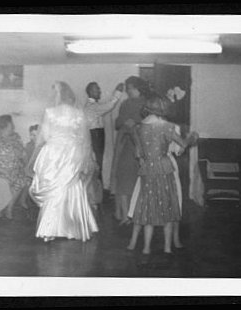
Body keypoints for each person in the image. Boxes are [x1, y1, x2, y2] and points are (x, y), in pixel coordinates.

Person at [126, 93, 198, 262]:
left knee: (147, 206)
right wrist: (193, 137)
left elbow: (138, 153)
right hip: (164, 168)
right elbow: (183, 145)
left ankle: (145, 248)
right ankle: (167, 247)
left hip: (147, 170)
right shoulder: (167, 126)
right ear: (162, 109)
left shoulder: (137, 127)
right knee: (168, 205)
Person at [27, 81, 98, 242]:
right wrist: (84, 158)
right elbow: (84, 139)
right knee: (71, 186)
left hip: (54, 152)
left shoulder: (50, 112)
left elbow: (43, 137)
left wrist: (35, 157)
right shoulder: (78, 113)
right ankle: (74, 227)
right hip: (73, 152)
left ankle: (50, 229)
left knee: (55, 189)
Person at [127, 124, 186, 251]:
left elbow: (179, 150)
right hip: (150, 165)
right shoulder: (144, 125)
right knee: (142, 200)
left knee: (172, 202)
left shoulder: (173, 127)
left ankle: (174, 240)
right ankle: (134, 240)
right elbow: (138, 147)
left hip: (166, 166)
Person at [110, 76, 149, 225]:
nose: (128, 91)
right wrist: (125, 122)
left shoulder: (146, 104)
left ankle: (135, 214)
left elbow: (149, 123)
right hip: (125, 144)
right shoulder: (125, 103)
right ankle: (124, 214)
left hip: (140, 144)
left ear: (138, 88)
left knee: (137, 180)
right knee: (122, 178)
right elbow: (118, 122)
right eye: (127, 88)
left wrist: (137, 123)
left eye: (130, 88)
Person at [84, 82, 124, 189]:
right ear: (91, 92)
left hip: (97, 135)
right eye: (97, 89)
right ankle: (98, 192)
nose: (100, 91)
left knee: (99, 164)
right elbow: (109, 105)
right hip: (95, 136)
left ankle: (99, 191)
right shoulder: (91, 107)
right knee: (97, 165)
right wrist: (118, 92)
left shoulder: (94, 106)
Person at [0, 114, 29, 219]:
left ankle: (9, 207)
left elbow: (23, 153)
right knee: (12, 180)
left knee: (23, 179)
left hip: (16, 169)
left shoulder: (16, 137)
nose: (13, 125)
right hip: (1, 171)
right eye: (11, 123)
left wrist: (26, 165)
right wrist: (5, 170)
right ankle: (0, 208)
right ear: (6, 125)